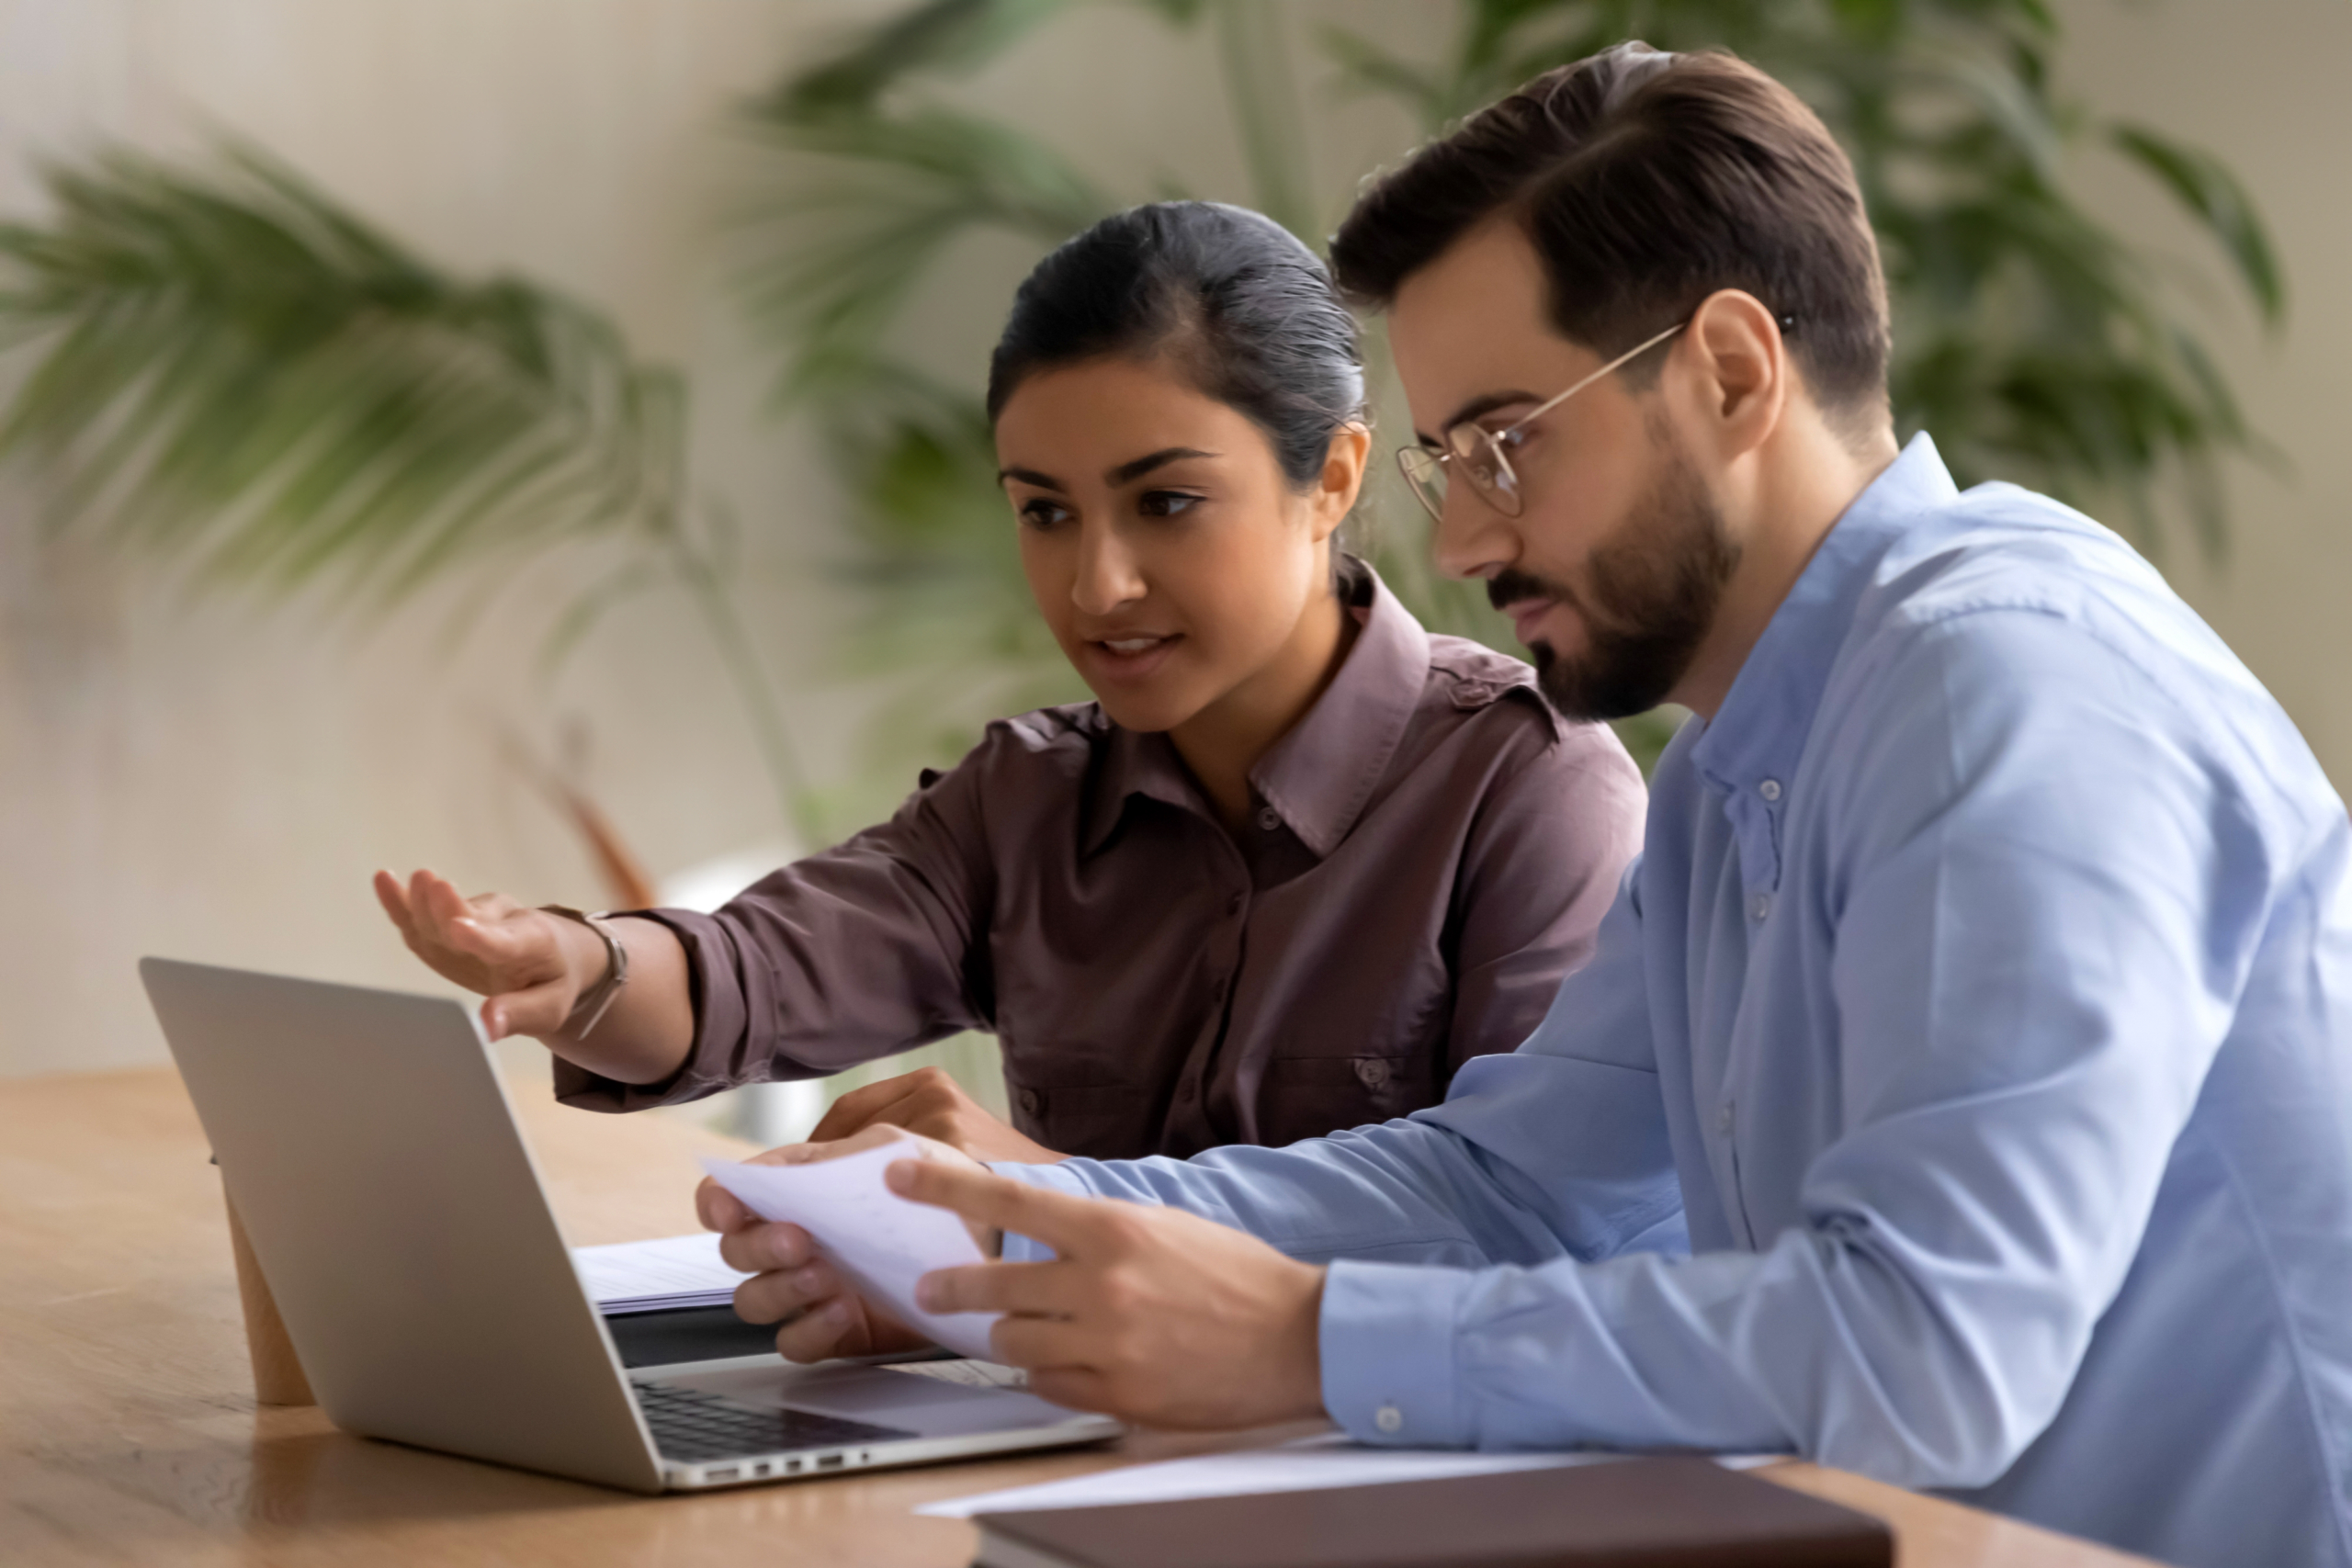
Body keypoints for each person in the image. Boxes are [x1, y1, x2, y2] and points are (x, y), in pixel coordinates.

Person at [703, 46, 2352, 1568]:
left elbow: (1930, 1351)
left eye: (1505, 445)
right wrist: (1027, 1241)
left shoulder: (2008, 686)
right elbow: (1515, 1187)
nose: (1464, 546)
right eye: (1446, 464)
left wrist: (1305, 1341)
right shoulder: (1737, 757)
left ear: (1726, 370)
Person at [376, 200, 1645, 1166]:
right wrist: (580, 966)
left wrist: (1040, 1211)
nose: (1097, 587)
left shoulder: (1527, 793)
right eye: (1044, 513)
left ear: (1333, 477)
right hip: (1060, 1458)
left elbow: (1526, 1219)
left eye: (1167, 503)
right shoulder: (1027, 803)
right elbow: (757, 971)